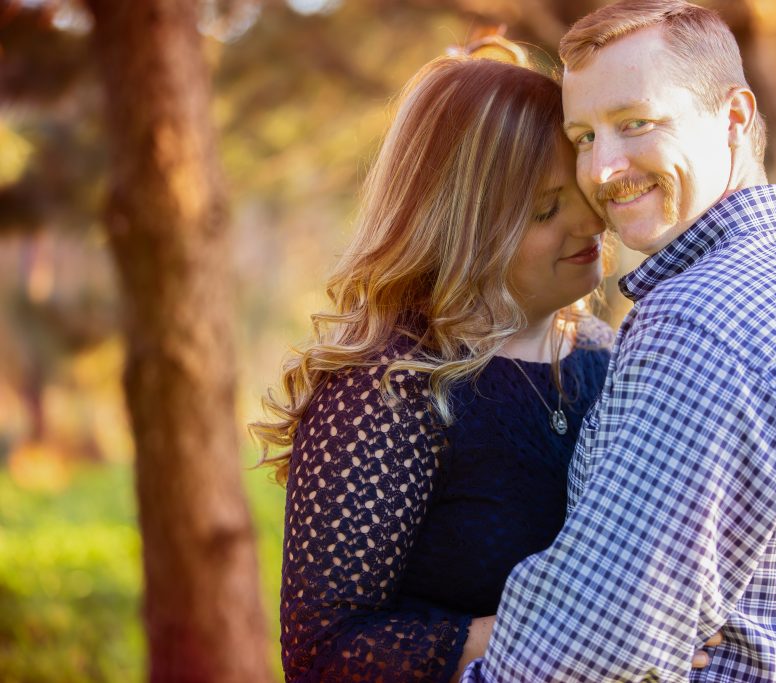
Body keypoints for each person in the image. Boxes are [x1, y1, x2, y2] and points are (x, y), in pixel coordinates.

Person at [462, 2, 776, 681]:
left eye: (636, 123)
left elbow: (601, 638)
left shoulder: (696, 322)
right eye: (584, 136)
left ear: (734, 117)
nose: (604, 169)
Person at [250, 43, 717, 682]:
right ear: (462, 228)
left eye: (583, 189)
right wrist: (553, 636)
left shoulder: (606, 355)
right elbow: (323, 652)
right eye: (546, 208)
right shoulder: (386, 390)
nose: (590, 223)